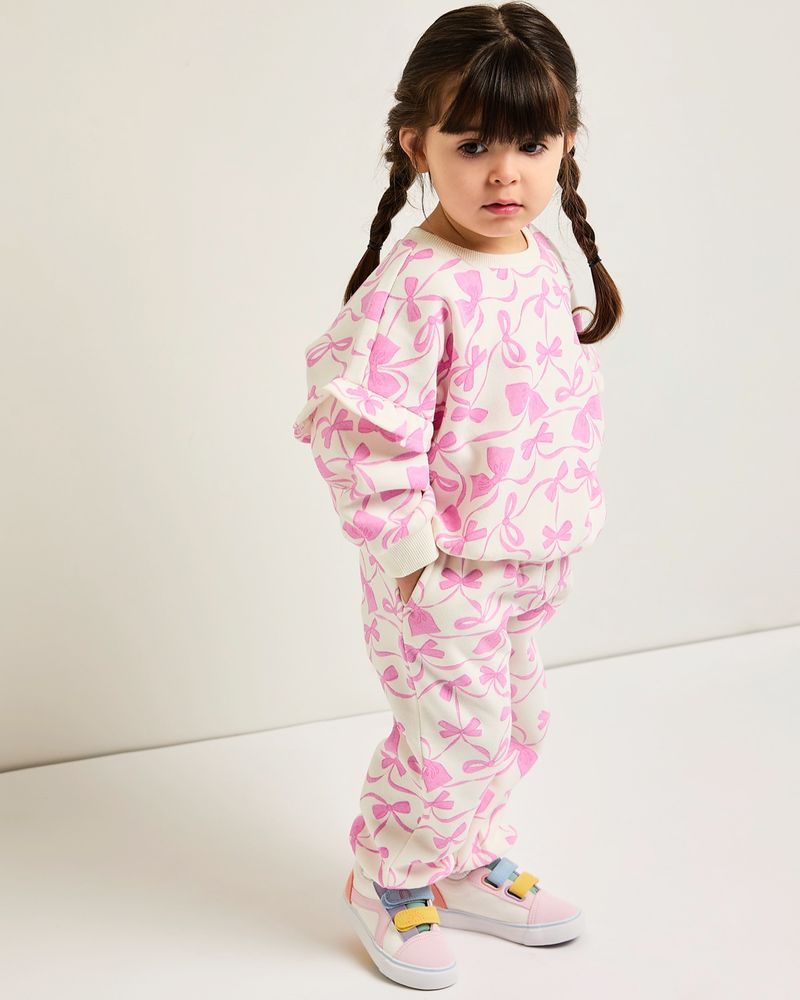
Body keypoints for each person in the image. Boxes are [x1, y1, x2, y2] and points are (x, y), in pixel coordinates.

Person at [292, 2, 623, 989]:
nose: (503, 173)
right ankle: (390, 876)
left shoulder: (536, 257)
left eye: (530, 144)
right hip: (439, 574)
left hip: (525, 559)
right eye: (472, 145)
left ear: (566, 143)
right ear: (416, 145)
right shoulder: (416, 285)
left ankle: (465, 859)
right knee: (450, 736)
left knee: (516, 723)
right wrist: (410, 559)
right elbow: (362, 431)